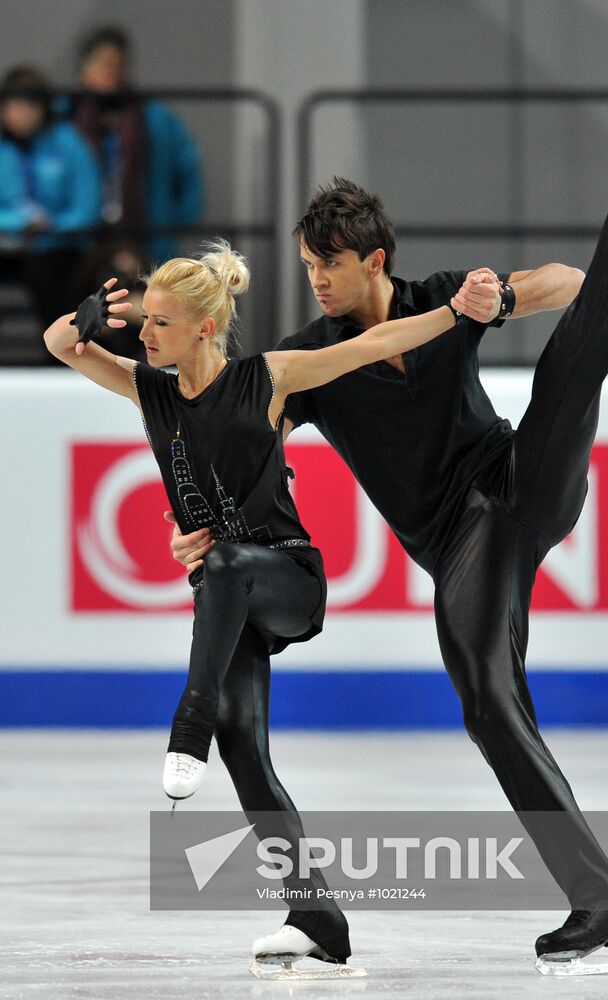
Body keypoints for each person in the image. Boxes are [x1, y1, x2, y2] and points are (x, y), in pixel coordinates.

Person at [169, 48, 608, 973]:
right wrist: (211, 520)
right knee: (487, 701)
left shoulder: (438, 303)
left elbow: (569, 287)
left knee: (572, 362)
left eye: (329, 266)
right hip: (458, 544)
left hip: (519, 481)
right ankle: (605, 905)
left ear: (373, 261)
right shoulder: (315, 355)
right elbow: (243, 431)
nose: (315, 281)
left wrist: (498, 296)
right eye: (309, 265)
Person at [43, 238, 473, 973]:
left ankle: (190, 721)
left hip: (288, 580)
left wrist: (456, 314)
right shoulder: (150, 389)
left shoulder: (265, 378)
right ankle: (315, 915)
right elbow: (61, 347)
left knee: (229, 562)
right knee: (247, 752)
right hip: (225, 596)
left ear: (205, 328)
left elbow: (376, 341)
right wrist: (81, 322)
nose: (145, 337)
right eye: (143, 321)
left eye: (160, 324)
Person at [70, 25, 203, 262]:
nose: (109, 72)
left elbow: (188, 172)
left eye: (116, 64)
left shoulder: (156, 119)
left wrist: (176, 224)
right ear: (84, 68)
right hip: (79, 240)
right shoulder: (65, 119)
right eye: (101, 63)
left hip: (147, 236)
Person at [0, 66, 100, 331]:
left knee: (48, 272)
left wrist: (51, 225)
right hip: (8, 242)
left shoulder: (68, 142)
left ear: (44, 108)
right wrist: (20, 221)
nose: (23, 113)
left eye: (31, 105)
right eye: (15, 105)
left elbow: (87, 207)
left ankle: (59, 355)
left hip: (58, 244)